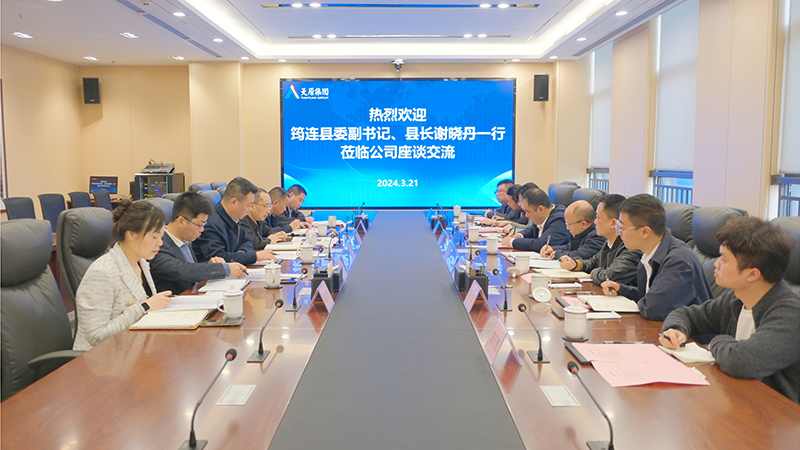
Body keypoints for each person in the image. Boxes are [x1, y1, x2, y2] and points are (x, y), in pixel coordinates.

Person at [660, 217, 799, 404]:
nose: (716, 264)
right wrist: (676, 329)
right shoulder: (736, 300)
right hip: (737, 399)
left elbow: (743, 361)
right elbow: (686, 314)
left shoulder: (790, 314)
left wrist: (717, 342)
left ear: (752, 274)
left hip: (774, 413)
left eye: (724, 259)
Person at [73, 200, 173, 350]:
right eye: (154, 237)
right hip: (103, 357)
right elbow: (96, 336)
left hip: (133, 346)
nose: (160, 243)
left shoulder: (141, 262)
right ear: (131, 234)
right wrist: (144, 307)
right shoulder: (102, 272)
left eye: (161, 237)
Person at [601, 193, 711, 320]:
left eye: (622, 228)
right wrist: (622, 290)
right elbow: (649, 296)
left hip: (687, 332)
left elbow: (654, 308)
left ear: (645, 232)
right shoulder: (650, 254)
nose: (619, 233)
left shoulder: (679, 261)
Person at [150, 192, 248, 295]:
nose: (202, 230)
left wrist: (209, 265)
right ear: (181, 221)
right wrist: (224, 269)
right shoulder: (158, 245)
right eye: (199, 225)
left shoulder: (184, 241)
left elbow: (192, 268)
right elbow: (182, 270)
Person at [560, 194, 642, 286]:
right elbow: (593, 262)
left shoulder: (631, 247)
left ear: (613, 223)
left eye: (598, 218)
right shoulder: (609, 242)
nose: (595, 222)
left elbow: (609, 277)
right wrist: (576, 264)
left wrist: (595, 272)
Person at [193, 176, 275, 264]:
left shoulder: (234, 218)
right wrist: (253, 256)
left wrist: (242, 254)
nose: (250, 209)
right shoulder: (211, 224)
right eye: (248, 205)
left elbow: (247, 242)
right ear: (233, 202)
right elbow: (219, 258)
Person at [500, 188, 569, 252]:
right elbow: (531, 230)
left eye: (528, 211)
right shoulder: (542, 216)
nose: (526, 215)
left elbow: (542, 244)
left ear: (540, 209)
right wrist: (520, 235)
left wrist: (512, 242)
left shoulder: (560, 220)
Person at [539, 200, 606, 261]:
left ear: (583, 224)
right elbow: (570, 247)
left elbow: (578, 255)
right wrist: (552, 249)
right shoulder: (580, 234)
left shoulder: (597, 236)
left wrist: (557, 253)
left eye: (569, 224)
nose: (567, 228)